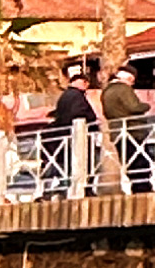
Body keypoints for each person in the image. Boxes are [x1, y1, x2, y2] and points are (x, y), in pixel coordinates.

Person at [46, 67, 99, 199]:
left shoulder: (64, 96)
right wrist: (90, 120)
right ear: (83, 83)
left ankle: (61, 190)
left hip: (64, 136)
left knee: (66, 165)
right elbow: (78, 114)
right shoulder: (76, 96)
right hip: (77, 136)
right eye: (86, 84)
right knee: (86, 163)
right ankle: (83, 189)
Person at [100, 60, 148, 189]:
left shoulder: (106, 91)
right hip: (132, 131)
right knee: (140, 163)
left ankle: (135, 186)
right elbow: (133, 107)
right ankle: (142, 188)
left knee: (128, 162)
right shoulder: (123, 89)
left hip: (116, 132)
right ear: (129, 78)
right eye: (132, 81)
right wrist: (145, 106)